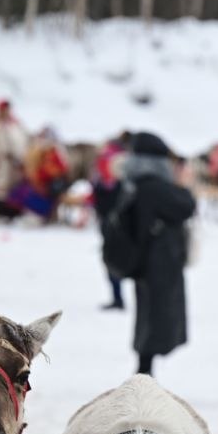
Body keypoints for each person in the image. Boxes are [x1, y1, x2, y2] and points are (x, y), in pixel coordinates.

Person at [118, 131, 196, 376]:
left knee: (149, 314)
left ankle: (144, 368)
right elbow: (185, 206)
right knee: (155, 317)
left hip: (145, 262)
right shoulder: (154, 187)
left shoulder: (135, 183)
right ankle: (144, 371)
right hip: (158, 263)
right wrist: (183, 185)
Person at [91, 131, 133, 310]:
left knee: (111, 259)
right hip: (122, 221)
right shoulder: (128, 162)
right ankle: (120, 298)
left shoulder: (107, 160)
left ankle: (117, 297)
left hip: (110, 221)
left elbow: (99, 192)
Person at [0, 98, 28, 220]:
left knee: (11, 188)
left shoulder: (15, 125)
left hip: (13, 165)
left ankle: (10, 213)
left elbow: (22, 141)